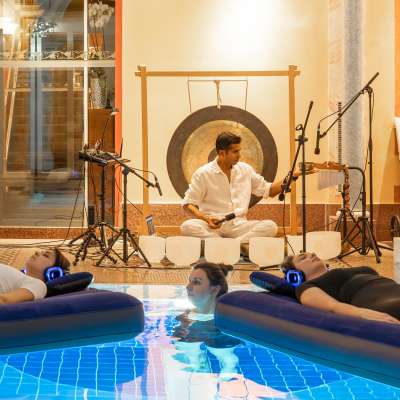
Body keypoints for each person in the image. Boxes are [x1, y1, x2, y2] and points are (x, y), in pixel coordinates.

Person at [181, 131, 310, 242]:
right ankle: (237, 245)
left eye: (239, 151)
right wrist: (206, 218)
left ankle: (228, 245)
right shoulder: (203, 173)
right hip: (213, 227)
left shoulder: (245, 170)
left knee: (270, 226)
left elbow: (269, 190)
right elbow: (188, 204)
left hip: (239, 227)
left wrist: (293, 175)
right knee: (187, 226)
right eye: (235, 151)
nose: (239, 155)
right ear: (222, 153)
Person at [280, 252, 400, 324]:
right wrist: (361, 313)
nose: (312, 254)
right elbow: (333, 306)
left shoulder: (343, 271)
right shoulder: (305, 287)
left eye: (311, 253)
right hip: (382, 303)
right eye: (303, 258)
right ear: (294, 275)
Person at [0, 248, 70, 305]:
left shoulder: (39, 285)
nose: (37, 252)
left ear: (53, 273)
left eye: (45, 255)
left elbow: (4, 300)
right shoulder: (19, 276)